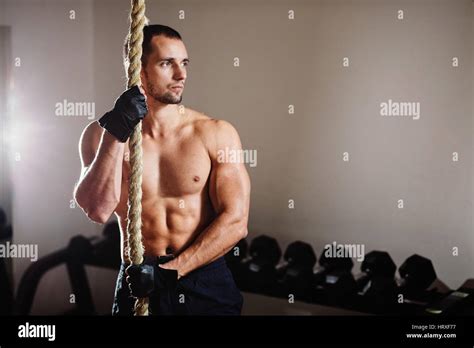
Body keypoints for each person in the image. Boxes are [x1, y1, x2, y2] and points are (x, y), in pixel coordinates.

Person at [74, 24, 250, 315]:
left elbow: (236, 222)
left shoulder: (215, 133)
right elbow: (97, 209)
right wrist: (116, 133)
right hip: (137, 281)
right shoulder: (100, 135)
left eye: (184, 63)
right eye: (167, 64)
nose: (181, 75)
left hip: (202, 279)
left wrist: (170, 272)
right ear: (138, 68)